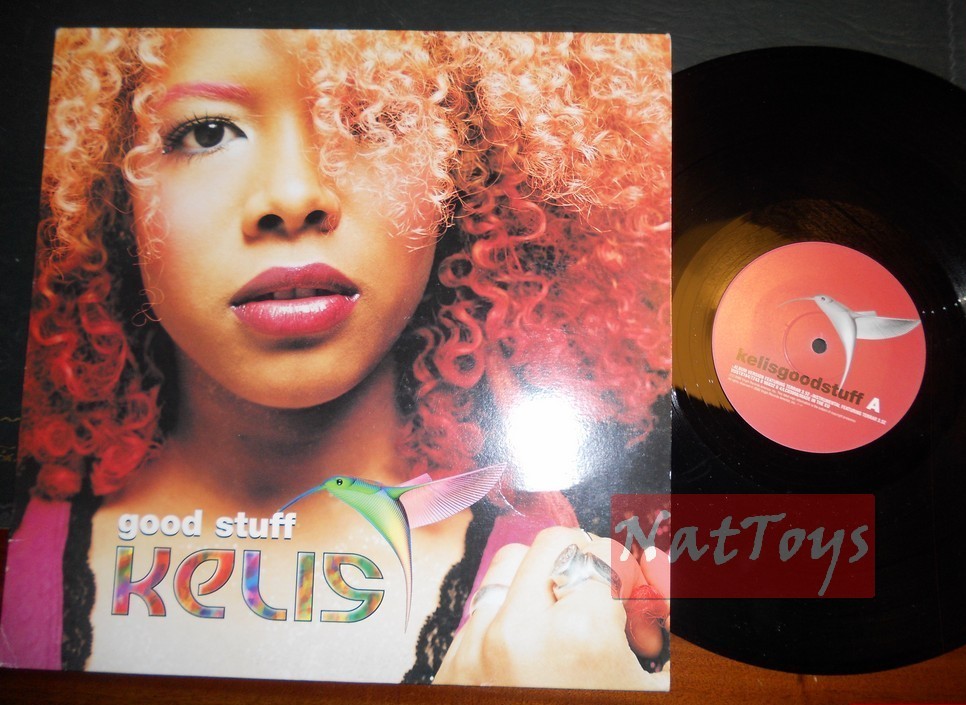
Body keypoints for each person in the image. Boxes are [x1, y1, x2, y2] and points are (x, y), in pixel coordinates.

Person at [1, 28, 672, 689]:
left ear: (469, 174)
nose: (293, 197)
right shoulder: (18, 549)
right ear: (107, 189)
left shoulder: (565, 598)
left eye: (374, 120)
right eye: (207, 132)